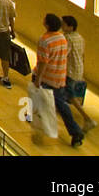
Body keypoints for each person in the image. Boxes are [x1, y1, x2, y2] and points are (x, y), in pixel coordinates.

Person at [33, 13, 85, 148]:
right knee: (60, 103)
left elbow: (43, 62)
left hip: (48, 77)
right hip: (60, 76)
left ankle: (74, 130)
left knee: (54, 103)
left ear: (47, 24)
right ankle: (74, 131)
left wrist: (38, 77)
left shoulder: (44, 40)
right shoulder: (62, 38)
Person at [61, 15, 96, 131]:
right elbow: (83, 54)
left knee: (70, 95)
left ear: (70, 27)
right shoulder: (80, 37)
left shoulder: (67, 38)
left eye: (64, 24)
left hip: (70, 70)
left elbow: (64, 54)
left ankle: (88, 119)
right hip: (78, 69)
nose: (62, 26)